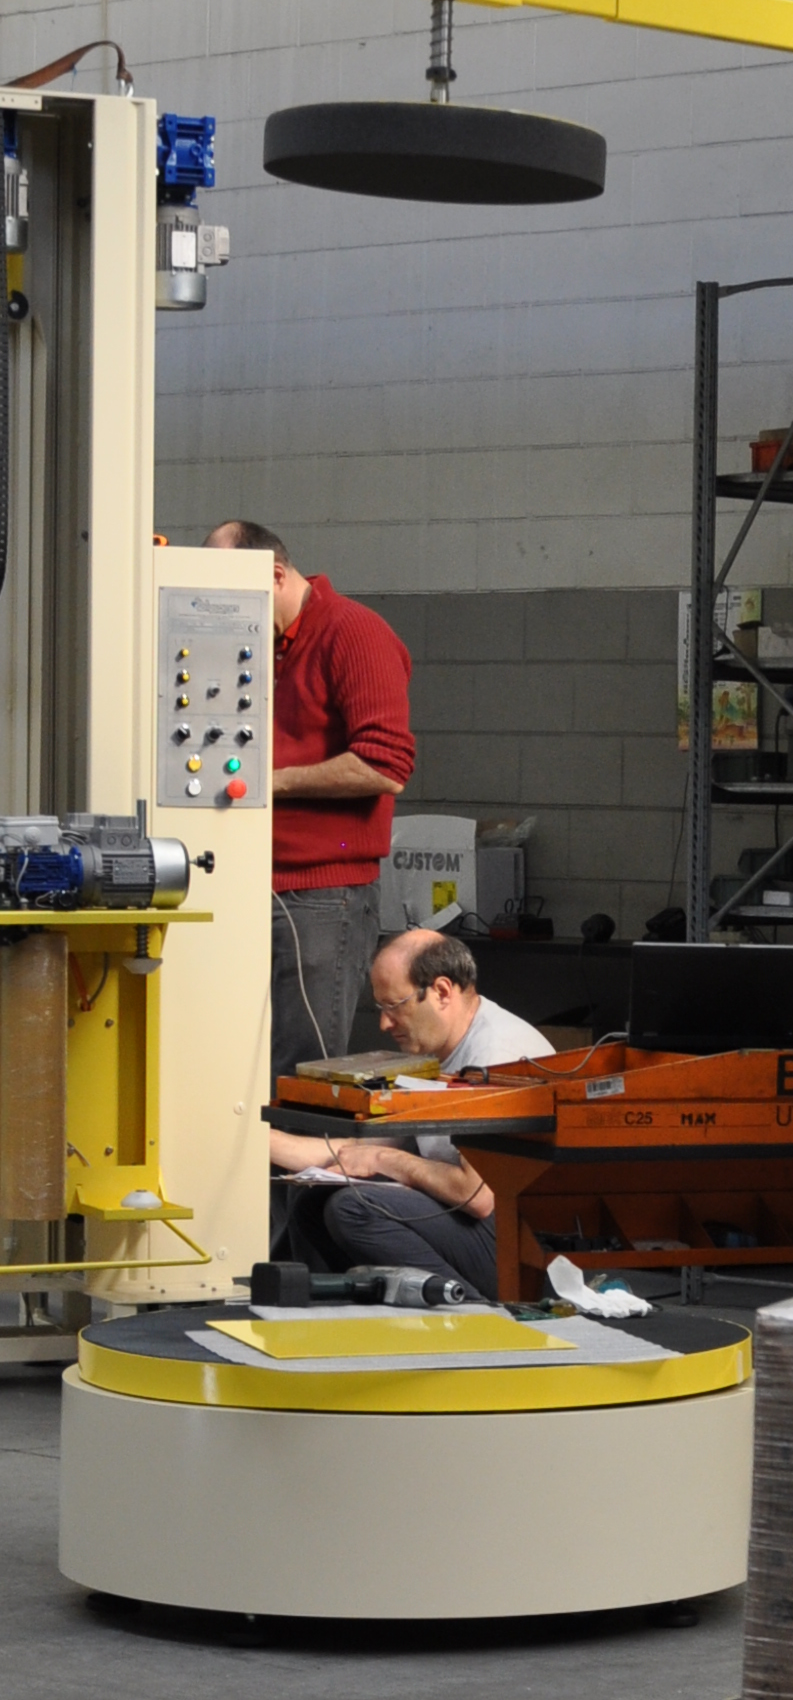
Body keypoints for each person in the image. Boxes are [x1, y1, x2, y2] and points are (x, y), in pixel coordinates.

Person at [205, 520, 416, 1081]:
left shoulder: (353, 632)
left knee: (303, 1068)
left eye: (231, 591)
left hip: (319, 895)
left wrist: (270, 781)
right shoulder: (261, 647)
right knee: (238, 1068)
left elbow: (385, 765)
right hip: (246, 883)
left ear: (274, 575)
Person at [269, 927, 552, 1300]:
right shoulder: (434, 1055)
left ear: (441, 992)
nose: (384, 1024)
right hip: (480, 1223)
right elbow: (359, 1150)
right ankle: (339, 1312)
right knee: (311, 1202)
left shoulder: (497, 1056)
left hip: (527, 1242)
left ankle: (471, 1311)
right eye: (380, 1008)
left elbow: (476, 1195)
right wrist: (253, 1138)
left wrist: (383, 1160)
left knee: (355, 1208)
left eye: (394, 1006)